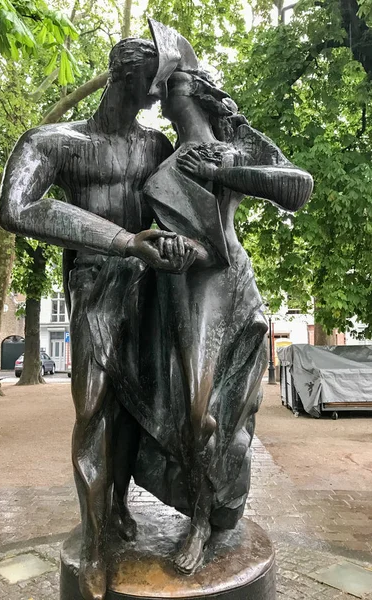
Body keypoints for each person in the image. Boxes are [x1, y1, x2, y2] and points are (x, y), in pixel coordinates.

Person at [0, 37, 197, 600]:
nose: (158, 94)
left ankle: (116, 505)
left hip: (150, 289)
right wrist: (121, 240)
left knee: (137, 410)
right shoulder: (54, 143)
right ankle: (92, 539)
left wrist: (177, 246)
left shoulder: (157, 145)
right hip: (94, 287)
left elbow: (181, 213)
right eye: (152, 81)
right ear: (123, 76)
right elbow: (17, 208)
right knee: (92, 409)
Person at [138, 19, 313, 575]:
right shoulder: (161, 166)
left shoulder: (235, 145)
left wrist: (228, 166)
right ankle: (197, 511)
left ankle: (209, 515)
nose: (165, 91)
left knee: (222, 414)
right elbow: (149, 235)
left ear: (200, 92)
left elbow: (298, 187)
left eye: (174, 82)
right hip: (181, 293)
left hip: (229, 285)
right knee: (190, 410)